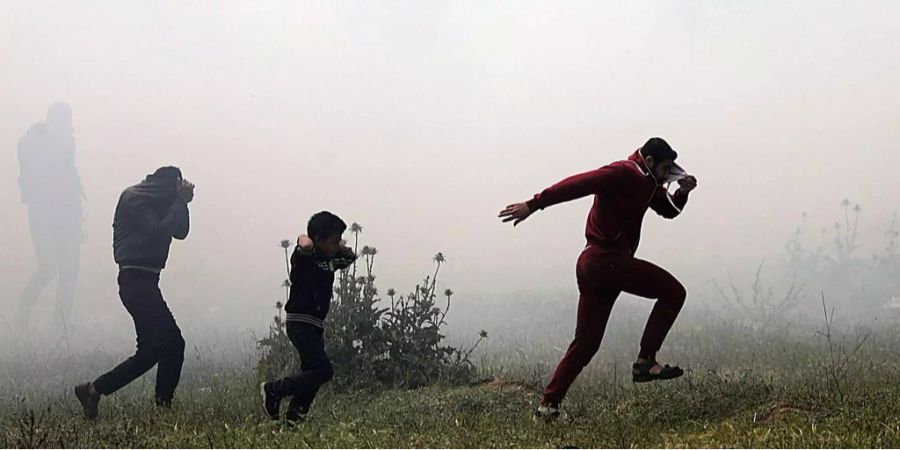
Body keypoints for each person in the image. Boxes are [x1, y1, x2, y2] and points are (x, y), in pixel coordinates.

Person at [498, 137, 699, 421]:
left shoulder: (649, 182)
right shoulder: (624, 172)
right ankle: (645, 361)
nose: (668, 175)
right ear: (650, 162)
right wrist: (534, 204)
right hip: (606, 261)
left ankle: (547, 407)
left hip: (595, 266)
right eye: (666, 169)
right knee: (674, 292)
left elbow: (670, 210)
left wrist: (683, 192)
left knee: (586, 343)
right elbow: (578, 184)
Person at [74, 166, 195, 419]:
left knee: (150, 352)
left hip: (146, 282)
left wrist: (181, 203)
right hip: (136, 282)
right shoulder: (135, 198)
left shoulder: (153, 199)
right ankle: (163, 409)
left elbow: (180, 232)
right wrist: (179, 201)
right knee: (173, 344)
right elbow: (158, 229)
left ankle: (93, 390)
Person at [260, 211, 357, 422]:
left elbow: (350, 256)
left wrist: (337, 245)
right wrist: (306, 241)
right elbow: (303, 244)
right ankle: (274, 390)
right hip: (300, 322)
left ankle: (295, 417)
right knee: (324, 371)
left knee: (311, 373)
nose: (336, 245)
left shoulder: (330, 260)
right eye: (333, 241)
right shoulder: (304, 258)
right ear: (319, 240)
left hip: (314, 325)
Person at [17, 102, 84, 334]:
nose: (68, 126)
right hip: (43, 216)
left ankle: (62, 321)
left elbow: (70, 179)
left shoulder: (67, 142)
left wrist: (79, 216)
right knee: (47, 267)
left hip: (67, 216)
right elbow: (38, 177)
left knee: (70, 269)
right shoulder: (31, 142)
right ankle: (22, 312)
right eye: (63, 121)